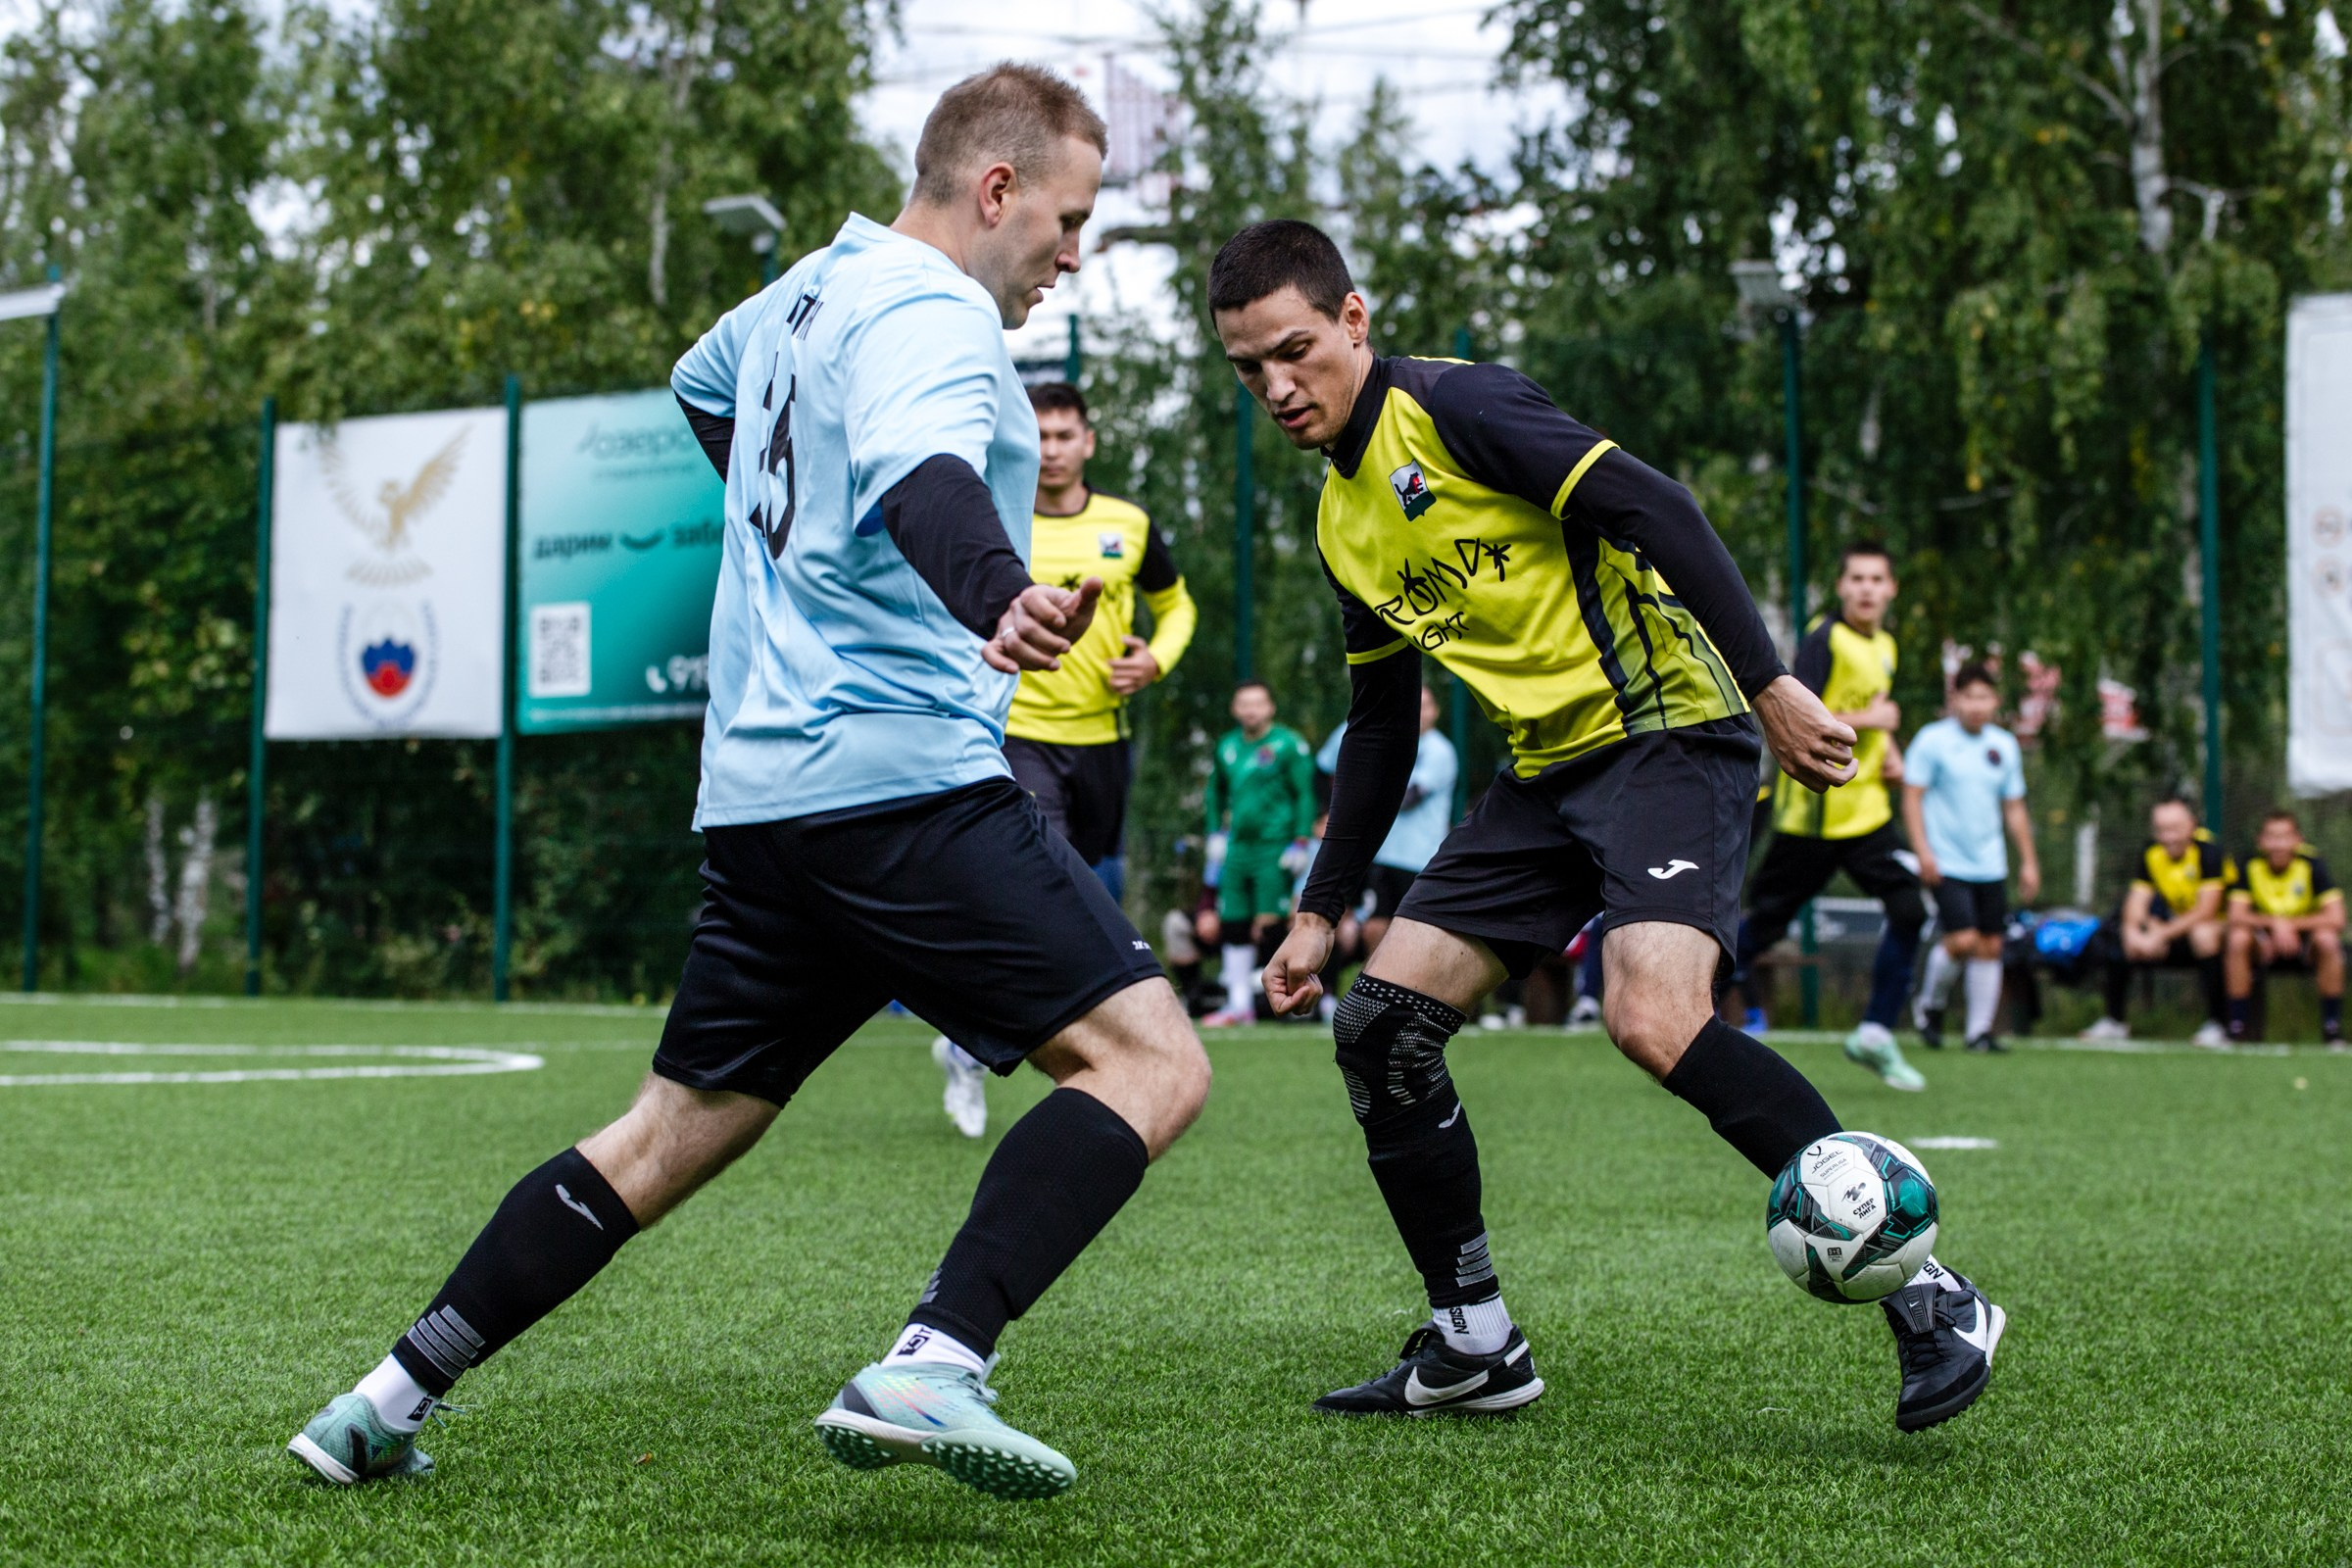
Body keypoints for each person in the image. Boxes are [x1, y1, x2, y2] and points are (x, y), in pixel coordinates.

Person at [285, 65, 1210, 1503]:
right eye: (1072, 221)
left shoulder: (800, 296)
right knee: (1155, 1061)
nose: (1073, 256)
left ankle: (384, 1396)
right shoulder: (930, 307)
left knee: (668, 1135)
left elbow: (702, 385)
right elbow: (922, 473)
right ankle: (936, 1362)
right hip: (899, 784)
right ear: (995, 189)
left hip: (767, 804)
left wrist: (803, 554)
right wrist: (992, 595)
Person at [1213, 219, 2003, 1433]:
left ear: (1356, 320)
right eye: (1248, 367)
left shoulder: (1461, 409)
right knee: (1381, 1030)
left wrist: (1770, 680)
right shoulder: (1340, 522)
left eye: (1295, 350)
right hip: (1546, 773)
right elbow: (1379, 724)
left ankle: (1935, 1297)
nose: (1276, 386)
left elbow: (1653, 503)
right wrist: (1320, 907)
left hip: (1671, 733)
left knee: (1650, 1014)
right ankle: (1476, 1346)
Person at [932, 381, 1198, 1138]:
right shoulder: (996, 519)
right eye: (1039, 435)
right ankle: (997, 1044)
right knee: (1038, 889)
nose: (1051, 449)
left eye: (1064, 435)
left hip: (1104, 741)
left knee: (1086, 884)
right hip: (1017, 732)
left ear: (1088, 442)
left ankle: (980, 1035)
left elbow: (1177, 606)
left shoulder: (1130, 525)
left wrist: (1157, 661)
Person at [1730, 542, 1929, 1090]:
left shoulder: (1885, 645)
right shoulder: (1825, 638)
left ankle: (1875, 1034)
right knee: (1761, 928)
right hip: (1813, 814)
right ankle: (1690, 1008)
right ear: (1842, 587)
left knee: (1910, 910)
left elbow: (1876, 723)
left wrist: (1888, 750)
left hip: (1866, 815)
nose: (1866, 588)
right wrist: (1874, 718)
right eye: (1857, 579)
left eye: (1877, 579)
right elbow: (1801, 712)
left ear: (1891, 590)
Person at [1901, 663, 2039, 1053]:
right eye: (1969, 697)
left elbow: (2014, 807)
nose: (1976, 706)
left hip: (1990, 863)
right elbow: (1912, 797)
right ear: (1954, 699)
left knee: (1991, 945)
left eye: (1984, 697)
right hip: (1947, 861)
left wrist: (2029, 860)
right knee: (1962, 941)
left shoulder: (2004, 745)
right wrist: (1924, 851)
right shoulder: (1932, 741)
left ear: (1995, 701)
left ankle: (1978, 1032)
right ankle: (1929, 1004)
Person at [1314, 684, 1459, 957]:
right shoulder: (1383, 737)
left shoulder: (1440, 751)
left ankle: (1412, 994)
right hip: (1381, 854)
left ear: (1435, 712)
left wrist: (1359, 788)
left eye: (1425, 705)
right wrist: (1327, 813)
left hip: (1420, 859)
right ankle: (1373, 992)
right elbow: (1323, 770)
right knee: (1373, 927)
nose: (1418, 711)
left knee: (1415, 931)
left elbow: (1404, 800)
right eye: (1413, 704)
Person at [1202, 680, 1317, 1025]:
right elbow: (1214, 794)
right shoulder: (1226, 746)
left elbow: (1305, 794)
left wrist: (1300, 841)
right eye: (1244, 704)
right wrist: (1215, 834)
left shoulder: (1289, 744)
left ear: (1270, 707)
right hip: (1237, 847)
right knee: (1234, 922)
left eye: (1258, 703)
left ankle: (1285, 1001)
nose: (1251, 710)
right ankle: (1238, 1004)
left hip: (1274, 847)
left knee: (1271, 923)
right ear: (1235, 709)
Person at [2081, 797, 2230, 1047]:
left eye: (2174, 829)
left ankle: (2217, 1024)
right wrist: (2133, 932)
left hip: (2218, 930)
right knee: (2120, 933)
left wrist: (2162, 934)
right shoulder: (2152, 852)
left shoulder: (2209, 853)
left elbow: (2207, 911)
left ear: (2192, 825)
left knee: (2203, 935)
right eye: (2161, 829)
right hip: (2174, 931)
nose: (2168, 837)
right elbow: (2136, 902)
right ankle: (2114, 1020)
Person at [2223, 808, 2345, 1047]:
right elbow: (2235, 915)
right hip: (2263, 945)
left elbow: (2337, 918)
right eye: (2272, 836)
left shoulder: (2313, 864)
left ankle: (2332, 1030)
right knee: (2238, 939)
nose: (2278, 844)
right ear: (2261, 841)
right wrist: (2274, 924)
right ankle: (2237, 1027)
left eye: (2285, 836)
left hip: (2304, 946)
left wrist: (2290, 926)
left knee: (2328, 941)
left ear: (2298, 840)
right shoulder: (2249, 864)